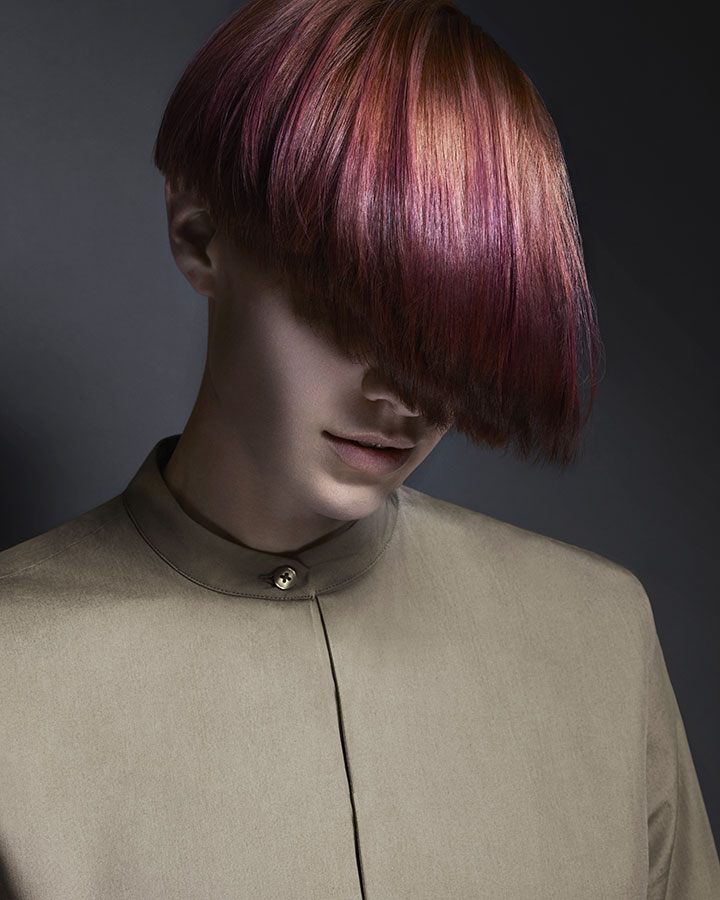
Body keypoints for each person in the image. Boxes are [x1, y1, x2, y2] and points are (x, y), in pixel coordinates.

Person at [0, 0, 717, 897]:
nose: (406, 394)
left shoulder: (602, 641)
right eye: (351, 310)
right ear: (199, 237)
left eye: (452, 334)